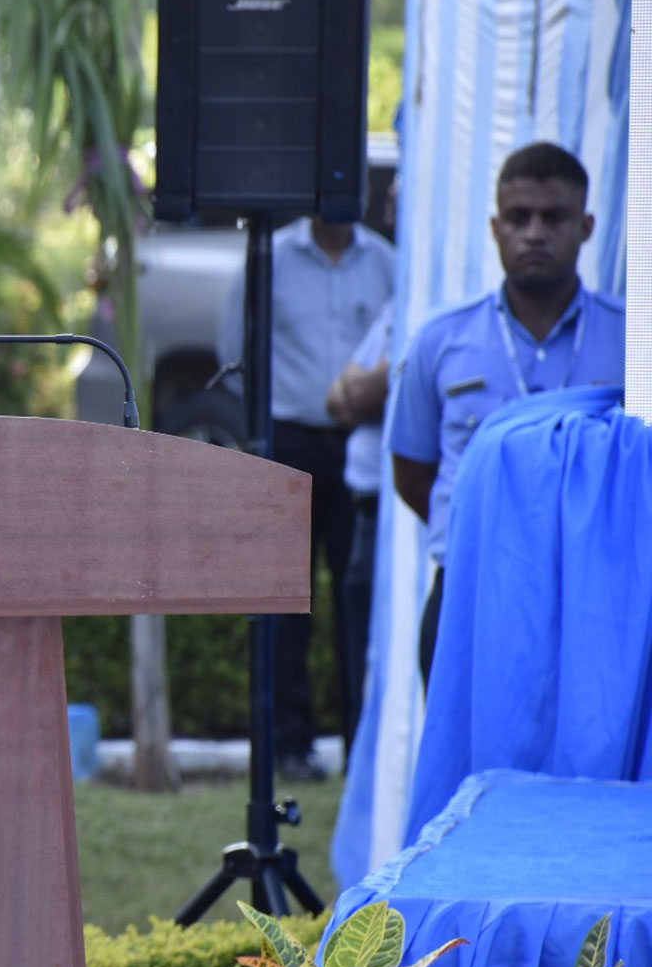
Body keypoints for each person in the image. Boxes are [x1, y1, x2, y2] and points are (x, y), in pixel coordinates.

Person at [389, 141, 626, 681]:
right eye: (518, 218)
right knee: (466, 760)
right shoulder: (441, 340)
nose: (535, 233)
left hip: (596, 594)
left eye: (554, 217)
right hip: (471, 588)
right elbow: (413, 471)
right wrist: (491, 526)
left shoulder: (632, 338)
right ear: (495, 228)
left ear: (587, 226)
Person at [218, 214, 394, 781]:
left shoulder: (386, 261)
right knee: (285, 601)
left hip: (361, 445)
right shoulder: (271, 255)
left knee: (358, 596)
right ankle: (288, 746)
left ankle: (359, 745)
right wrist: (260, 432)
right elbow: (233, 347)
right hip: (288, 437)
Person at [324, 302, 392, 751]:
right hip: (364, 509)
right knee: (355, 642)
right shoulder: (395, 311)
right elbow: (337, 399)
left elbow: (364, 392)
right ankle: (359, 764)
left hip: (399, 513)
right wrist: (370, 384)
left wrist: (370, 384)